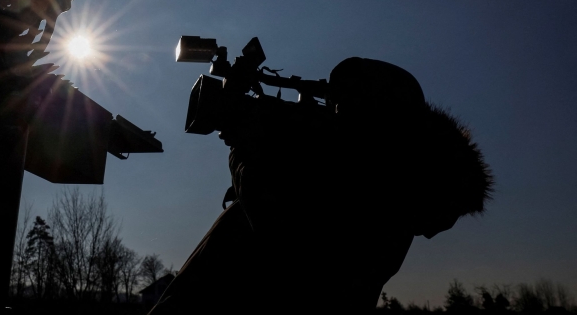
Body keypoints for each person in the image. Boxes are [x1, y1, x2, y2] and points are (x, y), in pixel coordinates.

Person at [151, 57, 493, 314]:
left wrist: (242, 148)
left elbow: (281, 230)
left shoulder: (380, 207)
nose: (336, 119)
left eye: (349, 112)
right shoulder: (386, 196)